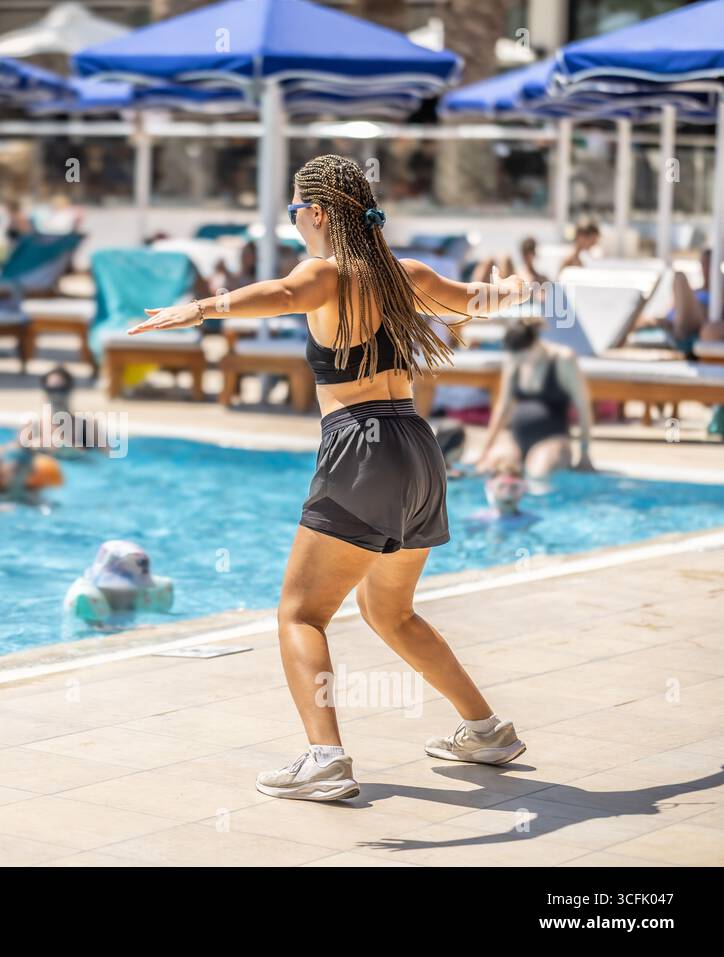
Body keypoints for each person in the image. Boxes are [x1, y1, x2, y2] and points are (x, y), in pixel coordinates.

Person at [130, 153, 532, 802]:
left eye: (295, 213)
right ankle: (485, 730)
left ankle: (325, 759)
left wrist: (200, 308)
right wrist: (524, 288)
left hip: (362, 448)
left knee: (301, 612)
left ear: (316, 213)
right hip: (419, 451)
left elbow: (286, 295)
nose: (295, 225)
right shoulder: (407, 275)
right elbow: (478, 303)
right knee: (389, 610)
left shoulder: (325, 273)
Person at [476, 318, 595, 481]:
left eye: (523, 354)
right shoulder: (514, 360)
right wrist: (485, 452)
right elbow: (503, 408)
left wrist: (584, 454)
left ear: (536, 343)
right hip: (516, 440)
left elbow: (583, 408)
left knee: (538, 476)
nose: (519, 359)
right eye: (515, 355)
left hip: (553, 440)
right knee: (495, 473)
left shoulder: (562, 359)